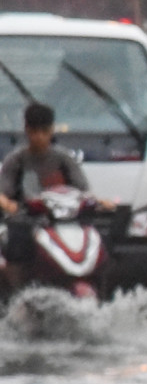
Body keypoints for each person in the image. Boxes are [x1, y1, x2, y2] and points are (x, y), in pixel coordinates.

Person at [1, 102, 93, 288]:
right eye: (34, 132)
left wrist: (96, 202)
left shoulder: (64, 159)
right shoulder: (16, 161)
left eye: (44, 131)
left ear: (52, 130)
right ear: (26, 130)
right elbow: (3, 193)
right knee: (16, 245)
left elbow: (83, 190)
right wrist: (9, 205)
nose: (39, 137)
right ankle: (18, 292)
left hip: (63, 223)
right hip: (25, 222)